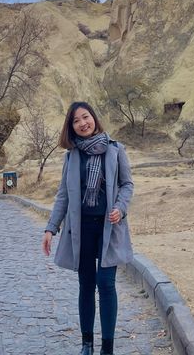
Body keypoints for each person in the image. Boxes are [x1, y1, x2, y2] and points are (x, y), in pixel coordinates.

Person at [42, 102, 134, 355]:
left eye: (86, 117)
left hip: (109, 228)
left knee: (106, 285)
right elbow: (63, 195)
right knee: (86, 285)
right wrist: (51, 228)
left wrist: (120, 207)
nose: (83, 123)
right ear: (70, 128)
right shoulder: (72, 157)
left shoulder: (116, 150)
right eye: (76, 121)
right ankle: (86, 344)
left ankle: (107, 347)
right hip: (80, 231)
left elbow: (127, 184)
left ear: (94, 118)